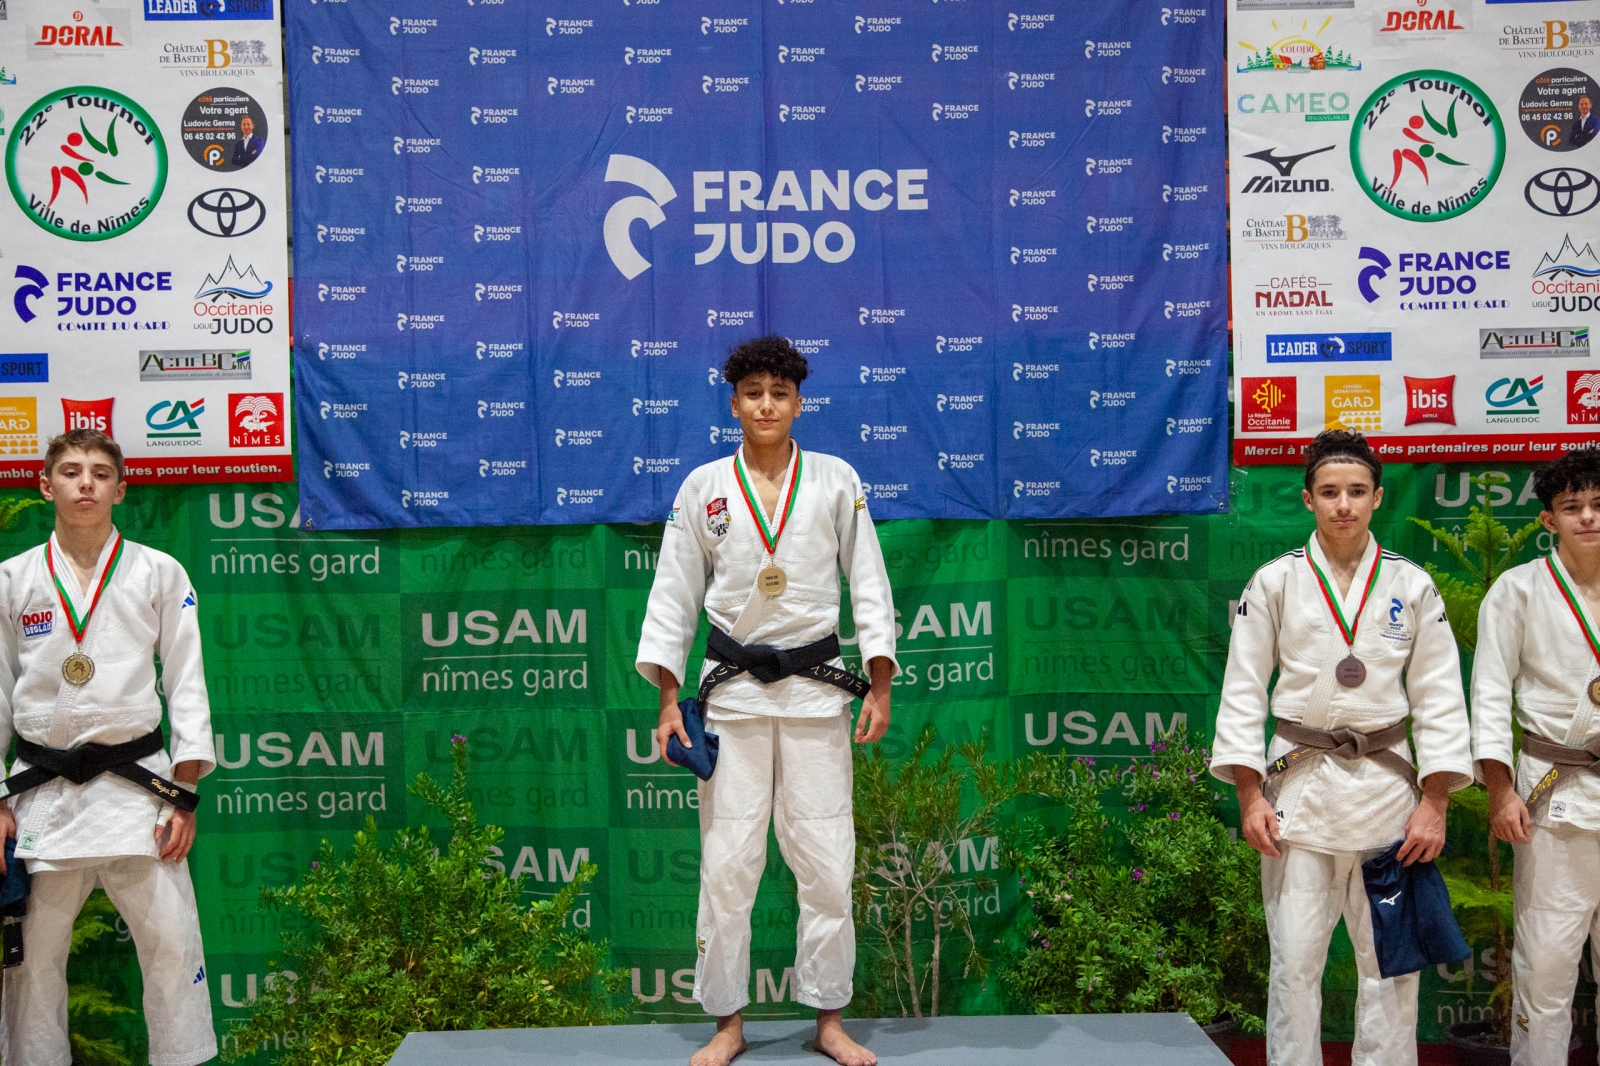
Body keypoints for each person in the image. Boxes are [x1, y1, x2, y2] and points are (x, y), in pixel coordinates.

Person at [637, 336, 896, 1066]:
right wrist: (667, 699)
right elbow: (673, 596)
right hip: (734, 699)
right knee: (728, 864)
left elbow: (869, 584)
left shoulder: (836, 480)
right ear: (734, 403)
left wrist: (879, 682)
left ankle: (830, 1020)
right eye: (753, 392)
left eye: (779, 394)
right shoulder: (704, 487)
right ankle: (728, 1023)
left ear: (798, 403)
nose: (766, 405)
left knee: (825, 858)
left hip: (818, 696)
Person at [1209, 429, 1472, 1066]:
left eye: (1357, 491)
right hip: (1298, 794)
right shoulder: (1274, 582)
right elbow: (1243, 692)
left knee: (1390, 970)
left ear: (1378, 497)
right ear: (1307, 500)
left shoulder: (1412, 585)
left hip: (1388, 800)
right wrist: (1249, 796)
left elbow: (1440, 697)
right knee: (1294, 967)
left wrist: (1434, 802)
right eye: (1329, 492)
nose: (1343, 505)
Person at [0, 428, 216, 1066]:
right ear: (46, 486)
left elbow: (187, 683)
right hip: (42, 792)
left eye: (99, 472)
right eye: (70, 471)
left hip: (139, 790)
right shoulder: (12, 579)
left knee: (173, 948)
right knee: (33, 966)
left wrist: (185, 793)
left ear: (122, 488)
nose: (85, 483)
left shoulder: (158, 571)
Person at [1472, 448, 1600, 1065]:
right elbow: (1490, 694)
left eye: (1598, 505)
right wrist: (1499, 791)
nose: (1588, 518)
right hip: (1555, 798)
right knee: (1545, 970)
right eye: (1572, 507)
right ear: (1549, 519)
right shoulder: (1517, 590)